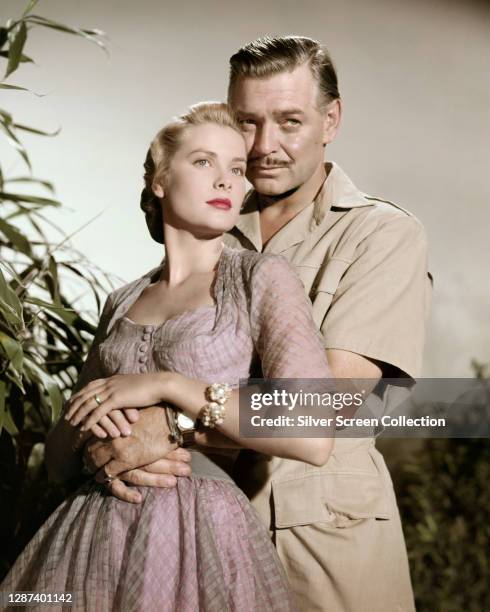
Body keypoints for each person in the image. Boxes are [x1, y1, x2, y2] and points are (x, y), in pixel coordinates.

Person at [83, 37, 432, 612]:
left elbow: (333, 403)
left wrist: (166, 421)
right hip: (192, 536)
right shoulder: (204, 225)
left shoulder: (380, 235)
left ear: (331, 119)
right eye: (247, 122)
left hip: (322, 540)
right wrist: (102, 443)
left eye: (290, 122)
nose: (265, 147)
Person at [0, 102, 336, 611]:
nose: (226, 181)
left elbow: (311, 430)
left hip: (204, 537)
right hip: (92, 533)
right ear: (159, 180)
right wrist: (96, 448)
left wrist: (169, 385)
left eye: (236, 169)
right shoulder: (123, 299)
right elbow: (60, 458)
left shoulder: (260, 279)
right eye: (203, 163)